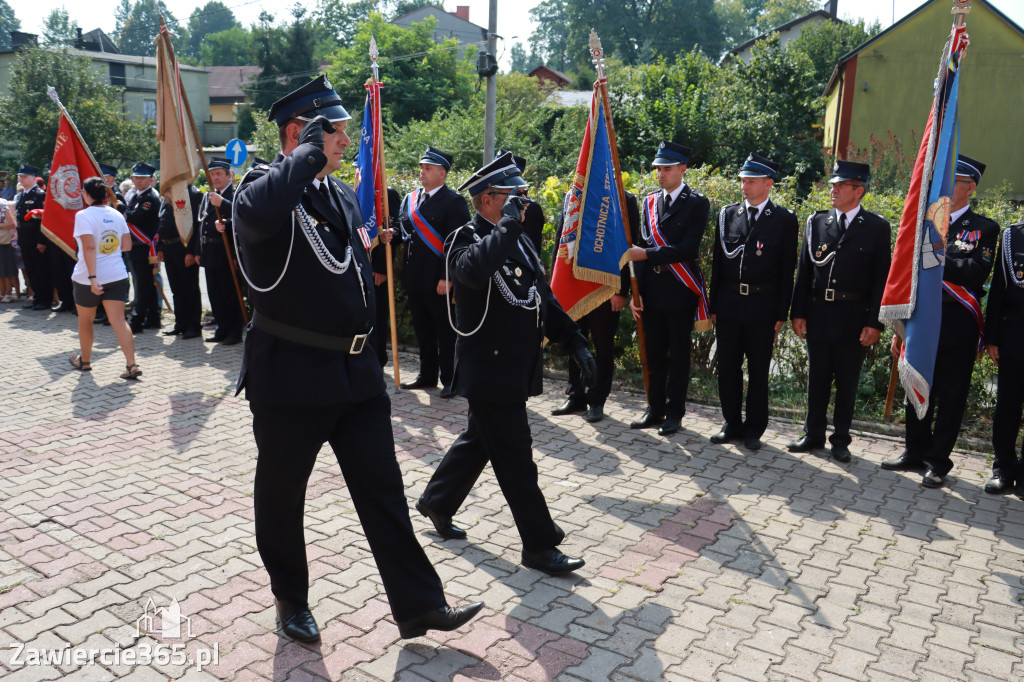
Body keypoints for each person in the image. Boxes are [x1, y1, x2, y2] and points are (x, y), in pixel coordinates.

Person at [232, 75, 482, 644]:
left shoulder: (340, 195)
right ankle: (290, 597)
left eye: (343, 132)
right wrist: (302, 156)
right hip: (291, 376)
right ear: (301, 134)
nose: (347, 142)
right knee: (282, 494)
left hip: (356, 375)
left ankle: (419, 606)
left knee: (383, 492)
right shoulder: (261, 187)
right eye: (336, 133)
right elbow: (260, 212)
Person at [415, 153, 596, 575]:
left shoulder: (517, 237)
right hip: (488, 370)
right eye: (516, 197)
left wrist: (574, 340)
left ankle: (437, 501)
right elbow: (473, 274)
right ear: (488, 200)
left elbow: (542, 298)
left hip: (516, 367)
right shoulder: (464, 238)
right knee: (516, 458)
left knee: (481, 440)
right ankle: (539, 544)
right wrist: (510, 226)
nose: (524, 204)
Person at [882, 156, 998, 487]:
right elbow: (911, 272)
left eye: (953, 180)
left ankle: (937, 461)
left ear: (970, 187)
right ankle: (913, 452)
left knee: (951, 393)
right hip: (922, 316)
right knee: (916, 382)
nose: (943, 186)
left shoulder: (985, 228)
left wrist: (936, 258)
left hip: (957, 320)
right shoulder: (925, 223)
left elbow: (977, 272)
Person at [788, 160, 891, 463]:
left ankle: (841, 440)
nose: (833, 189)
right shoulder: (817, 222)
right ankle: (812, 433)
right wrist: (799, 311)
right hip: (819, 312)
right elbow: (804, 272)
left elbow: (880, 279)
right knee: (817, 378)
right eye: (833, 184)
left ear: (859, 191)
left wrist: (875, 323)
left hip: (853, 315)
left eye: (841, 185)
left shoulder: (876, 227)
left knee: (847, 382)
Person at [708, 153, 798, 450]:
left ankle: (754, 429)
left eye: (751, 181)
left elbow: (788, 271)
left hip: (762, 306)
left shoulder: (784, 220)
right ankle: (731, 423)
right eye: (743, 180)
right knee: (728, 367)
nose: (744, 186)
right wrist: (713, 305)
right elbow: (718, 264)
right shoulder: (727, 214)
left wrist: (782, 313)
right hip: (730, 303)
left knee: (758, 371)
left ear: (768, 184)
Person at [627, 141, 711, 436]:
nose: (660, 173)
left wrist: (647, 255)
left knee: (678, 355)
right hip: (651, 289)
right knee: (654, 353)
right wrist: (634, 294)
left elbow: (687, 249)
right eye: (659, 168)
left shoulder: (697, 203)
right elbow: (637, 248)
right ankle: (654, 408)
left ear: (683, 169)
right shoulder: (650, 201)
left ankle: (675, 413)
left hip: (679, 289)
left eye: (667, 168)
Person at [551, 191, 640, 423]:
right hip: (574, 283)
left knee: (603, 346)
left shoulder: (622, 197)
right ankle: (575, 395)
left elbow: (629, 244)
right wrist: (555, 285)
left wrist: (620, 290)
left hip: (605, 287)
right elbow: (563, 237)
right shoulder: (574, 193)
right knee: (574, 340)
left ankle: (597, 399)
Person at [396, 146, 471, 397]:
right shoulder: (411, 199)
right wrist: (391, 235)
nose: (422, 172)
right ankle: (427, 376)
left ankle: (450, 379)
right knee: (423, 331)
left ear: (443, 173)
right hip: (415, 277)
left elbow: (457, 243)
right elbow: (403, 230)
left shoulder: (454, 202)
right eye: (421, 168)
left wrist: (446, 276)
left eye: (428, 168)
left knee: (445, 332)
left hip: (438, 279)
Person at [66, 177, 140, 379]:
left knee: (85, 321)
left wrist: (92, 278)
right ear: (106, 195)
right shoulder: (117, 214)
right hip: (116, 274)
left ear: (86, 195)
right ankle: (131, 364)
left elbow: (89, 247)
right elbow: (126, 246)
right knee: (119, 320)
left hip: (87, 277)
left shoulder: (83, 215)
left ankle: (85, 361)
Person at [984, 220, 1024, 494]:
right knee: (1008, 407)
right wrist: (992, 338)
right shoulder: (1013, 236)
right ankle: (1003, 469)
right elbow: (998, 289)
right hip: (1014, 338)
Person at [197, 157, 244, 345]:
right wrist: (198, 250)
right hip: (210, 252)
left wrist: (223, 205)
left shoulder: (235, 194)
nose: (214, 178)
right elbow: (201, 225)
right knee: (215, 295)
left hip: (227, 253)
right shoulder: (209, 196)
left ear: (229, 176)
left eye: (218, 174)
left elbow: (242, 215)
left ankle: (234, 331)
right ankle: (222, 328)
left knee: (229, 294)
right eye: (212, 174)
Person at [157, 184, 204, 339]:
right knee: (177, 289)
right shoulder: (170, 192)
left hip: (183, 248)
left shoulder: (193, 193)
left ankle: (194, 326)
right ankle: (181, 323)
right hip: (169, 248)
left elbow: (195, 226)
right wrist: (161, 246)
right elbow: (162, 220)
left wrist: (191, 251)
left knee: (189, 289)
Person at [125, 163, 162, 333]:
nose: (138, 181)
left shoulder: (149, 198)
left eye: (142, 178)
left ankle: (137, 320)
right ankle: (153, 317)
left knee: (143, 285)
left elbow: (135, 217)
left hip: (144, 247)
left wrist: (120, 208)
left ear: (150, 179)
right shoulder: (136, 196)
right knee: (146, 283)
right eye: (136, 177)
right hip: (136, 247)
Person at [370, 187, 401, 366]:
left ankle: (378, 358)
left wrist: (382, 268)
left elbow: (393, 229)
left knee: (378, 315)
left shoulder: (388, 193)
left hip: (376, 269)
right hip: (359, 264)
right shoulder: (359, 188)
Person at [15, 165, 52, 311]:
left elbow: (45, 221)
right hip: (25, 239)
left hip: (36, 239)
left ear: (33, 178)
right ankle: (37, 297)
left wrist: (42, 241)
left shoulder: (40, 195)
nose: (20, 178)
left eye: (24, 176)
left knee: (41, 269)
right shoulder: (21, 195)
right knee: (30, 270)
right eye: (20, 176)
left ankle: (45, 299)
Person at [0, 196, 18, 301]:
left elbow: (12, 224)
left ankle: (8, 293)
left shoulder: (2, 205)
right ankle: (2, 293)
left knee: (5, 268)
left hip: (3, 242)